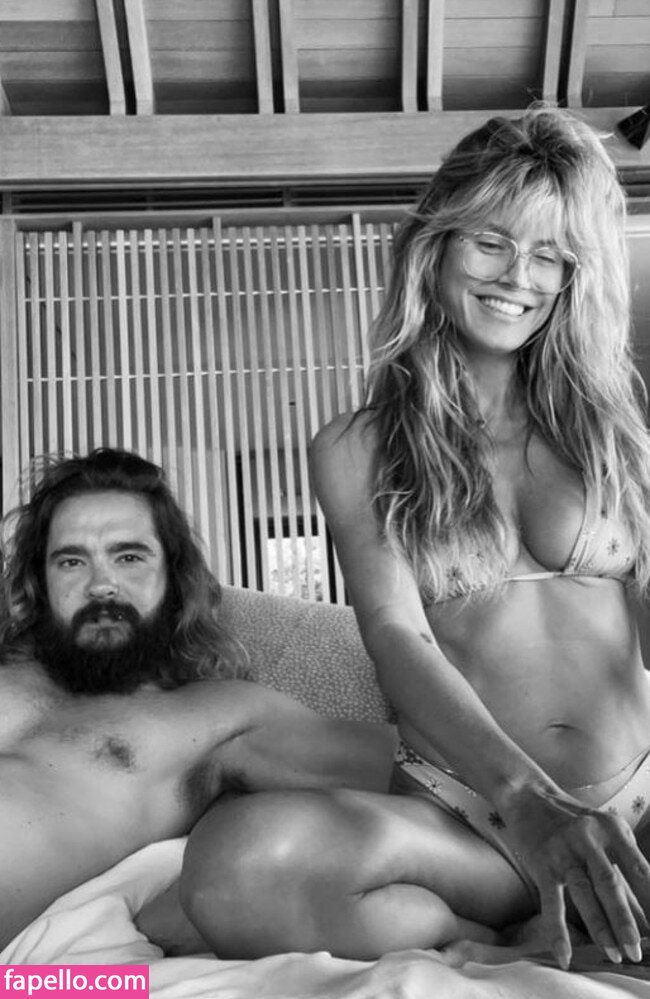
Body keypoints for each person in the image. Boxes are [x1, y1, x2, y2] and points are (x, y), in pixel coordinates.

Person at [177, 107, 650, 970]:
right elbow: (396, 634)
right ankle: (497, 940)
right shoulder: (357, 446)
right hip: (466, 818)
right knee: (235, 865)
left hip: (636, 802)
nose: (519, 277)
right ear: (436, 245)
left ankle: (568, 930)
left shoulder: (618, 434)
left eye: (549, 254)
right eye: (491, 242)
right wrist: (528, 801)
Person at [0, 447, 394, 952]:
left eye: (129, 557)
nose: (101, 585)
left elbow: (431, 774)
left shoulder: (218, 715)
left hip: (33, 980)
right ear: (40, 581)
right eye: (71, 561)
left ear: (175, 576)